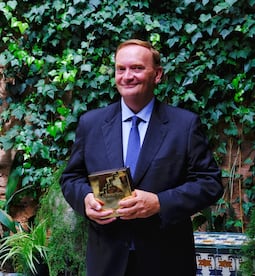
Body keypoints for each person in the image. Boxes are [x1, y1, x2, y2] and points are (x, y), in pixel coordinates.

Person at [60, 39, 223, 276]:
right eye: (121, 69)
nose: (127, 76)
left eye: (136, 68)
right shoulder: (91, 124)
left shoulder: (184, 125)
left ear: (157, 75)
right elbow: (71, 178)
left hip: (166, 260)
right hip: (107, 261)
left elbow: (210, 183)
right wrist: (85, 200)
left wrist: (159, 203)